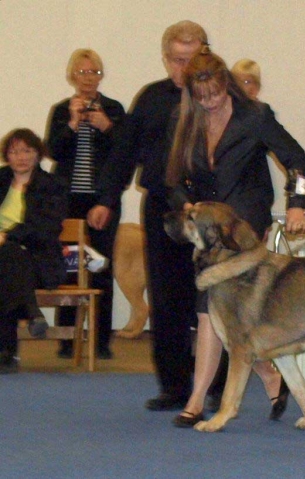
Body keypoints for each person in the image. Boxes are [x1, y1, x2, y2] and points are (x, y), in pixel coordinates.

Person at [165, 51, 305, 427]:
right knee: (224, 314)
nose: (210, 102)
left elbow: (295, 157)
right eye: (202, 98)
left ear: (226, 84)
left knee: (209, 307)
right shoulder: (185, 120)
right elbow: (172, 179)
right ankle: (269, 376)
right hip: (207, 227)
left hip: (243, 225)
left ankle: (197, 399)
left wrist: (296, 204)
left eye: (215, 94)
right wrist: (187, 206)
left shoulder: (255, 116)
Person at [86, 21, 209, 411]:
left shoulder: (222, 99)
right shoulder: (152, 98)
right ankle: (174, 386)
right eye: (175, 59)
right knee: (167, 298)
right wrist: (106, 198)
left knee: (214, 300)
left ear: (205, 55)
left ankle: (216, 385)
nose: (181, 67)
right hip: (162, 209)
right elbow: (124, 151)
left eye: (189, 59)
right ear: (165, 58)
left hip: (210, 211)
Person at [47, 49, 126, 360]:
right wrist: (71, 123)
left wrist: (106, 125)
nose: (88, 79)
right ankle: (67, 340)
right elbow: (53, 151)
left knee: (101, 267)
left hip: (102, 201)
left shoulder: (115, 109)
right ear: (72, 76)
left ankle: (100, 342)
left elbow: (124, 152)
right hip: (67, 201)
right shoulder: (60, 110)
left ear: (101, 76)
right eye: (82, 73)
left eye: (94, 73)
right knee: (68, 267)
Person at [0, 129, 68, 373]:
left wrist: (8, 236)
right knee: (7, 260)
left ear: (38, 154)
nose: (21, 156)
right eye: (14, 151)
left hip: (40, 260)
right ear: (7, 155)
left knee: (9, 258)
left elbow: (48, 227)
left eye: (27, 150)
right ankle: (32, 312)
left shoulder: (53, 185)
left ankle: (6, 354)